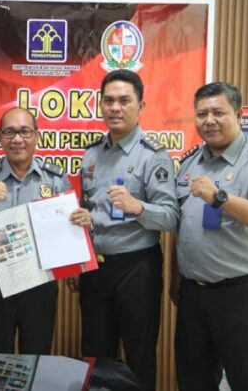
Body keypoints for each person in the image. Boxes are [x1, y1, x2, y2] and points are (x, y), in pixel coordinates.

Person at [171, 82, 248, 391]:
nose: (209, 121)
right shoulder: (189, 162)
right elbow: (182, 225)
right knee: (193, 381)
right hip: (194, 294)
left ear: (238, 115)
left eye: (218, 113)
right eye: (202, 114)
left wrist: (221, 198)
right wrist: (176, 277)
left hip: (244, 294)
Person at [68, 69, 178, 391]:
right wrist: (78, 260)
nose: (115, 107)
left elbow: (170, 217)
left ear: (140, 106)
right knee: (95, 356)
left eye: (124, 100)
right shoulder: (91, 153)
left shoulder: (153, 156)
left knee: (139, 357)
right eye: (109, 101)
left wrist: (137, 207)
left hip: (137, 268)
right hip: (95, 268)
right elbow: (86, 212)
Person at [0, 107, 71, 354]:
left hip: (40, 280)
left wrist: (82, 222)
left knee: (37, 357)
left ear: (36, 136)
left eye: (24, 132)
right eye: (9, 132)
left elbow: (68, 228)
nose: (17, 139)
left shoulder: (54, 178)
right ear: (0, 138)